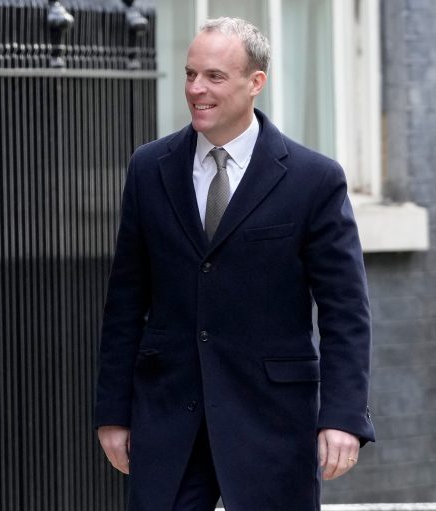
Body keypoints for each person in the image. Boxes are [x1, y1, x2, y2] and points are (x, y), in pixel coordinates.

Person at [94, 17, 374, 511]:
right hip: (168, 417)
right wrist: (113, 414)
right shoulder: (148, 168)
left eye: (214, 77)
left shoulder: (314, 180)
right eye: (189, 74)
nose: (196, 89)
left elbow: (345, 311)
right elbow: (125, 303)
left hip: (272, 421)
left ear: (255, 83)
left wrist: (343, 415)